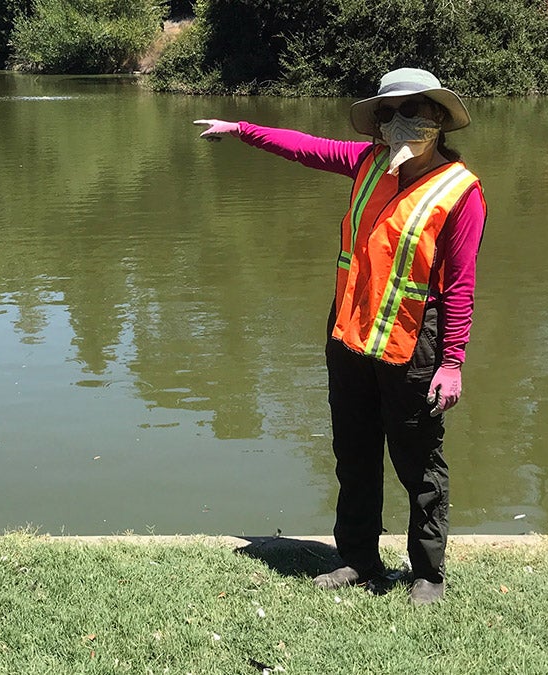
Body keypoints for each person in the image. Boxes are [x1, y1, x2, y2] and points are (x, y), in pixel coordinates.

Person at [195, 68, 486, 605]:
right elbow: (305, 147)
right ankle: (357, 559)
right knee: (353, 455)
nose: (401, 123)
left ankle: (428, 573)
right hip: (350, 339)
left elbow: (461, 286)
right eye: (389, 112)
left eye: (414, 111)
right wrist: (241, 129)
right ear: (377, 122)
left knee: (419, 464)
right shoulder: (366, 163)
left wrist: (452, 361)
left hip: (413, 348)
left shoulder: (460, 192)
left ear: (439, 119)